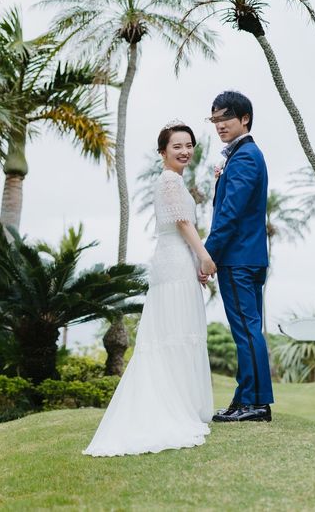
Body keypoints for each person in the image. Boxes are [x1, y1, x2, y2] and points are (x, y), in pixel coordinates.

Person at [83, 121, 216, 457]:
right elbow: (183, 223)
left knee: (180, 331)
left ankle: (182, 404)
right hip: (174, 263)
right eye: (177, 146)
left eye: (189, 145)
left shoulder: (175, 181)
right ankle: (172, 408)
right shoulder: (169, 181)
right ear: (163, 152)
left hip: (178, 261)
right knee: (174, 333)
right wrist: (203, 256)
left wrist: (195, 260)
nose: (185, 151)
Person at [201, 91, 274, 423]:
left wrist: (207, 255)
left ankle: (255, 403)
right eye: (215, 120)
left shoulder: (245, 157)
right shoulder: (244, 155)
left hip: (238, 258)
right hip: (248, 257)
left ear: (245, 119)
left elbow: (229, 214)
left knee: (246, 331)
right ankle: (244, 399)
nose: (219, 125)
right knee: (248, 329)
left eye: (225, 118)